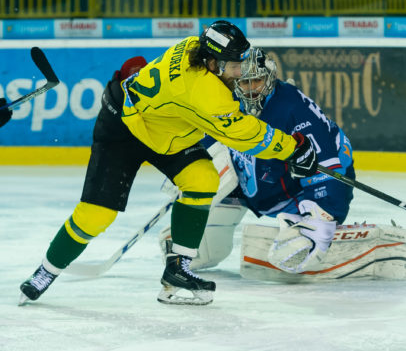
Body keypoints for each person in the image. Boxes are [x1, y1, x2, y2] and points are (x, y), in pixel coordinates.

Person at [19, 21, 319, 306]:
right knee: (96, 215)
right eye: (234, 64)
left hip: (165, 129)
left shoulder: (192, 46)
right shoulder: (205, 94)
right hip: (122, 129)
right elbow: (246, 136)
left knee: (202, 179)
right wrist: (294, 148)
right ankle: (45, 271)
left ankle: (178, 269)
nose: (240, 70)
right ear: (213, 63)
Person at [160, 47, 355, 274]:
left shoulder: (292, 108)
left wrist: (322, 214)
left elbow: (324, 162)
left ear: (269, 76)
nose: (251, 89)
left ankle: (311, 224)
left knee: (298, 245)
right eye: (244, 82)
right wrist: (184, 169)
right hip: (254, 180)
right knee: (204, 250)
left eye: (257, 81)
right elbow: (207, 133)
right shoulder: (226, 99)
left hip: (300, 188)